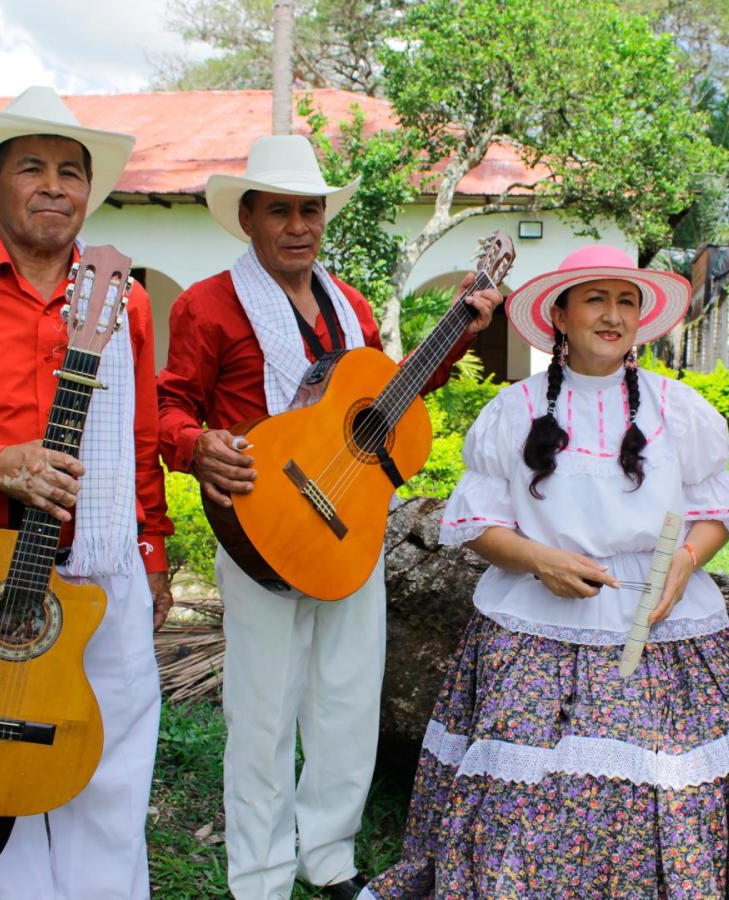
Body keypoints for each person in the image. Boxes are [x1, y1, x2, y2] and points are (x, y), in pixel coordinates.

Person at [362, 245, 729, 898]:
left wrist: (687, 560)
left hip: (661, 622)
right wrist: (539, 559)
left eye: (626, 301)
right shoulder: (514, 411)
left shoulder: (677, 410)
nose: (612, 315)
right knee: (527, 790)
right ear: (560, 313)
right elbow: (477, 526)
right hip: (535, 625)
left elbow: (716, 510)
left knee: (685, 775)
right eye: (596, 299)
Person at [155, 134, 502, 900]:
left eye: (310, 210)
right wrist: (196, 445)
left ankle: (330, 859)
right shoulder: (206, 303)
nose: (299, 225)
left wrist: (457, 334)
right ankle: (261, 876)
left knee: (348, 700)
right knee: (264, 712)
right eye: (279, 210)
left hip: (351, 524)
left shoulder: (346, 301)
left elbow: (382, 395)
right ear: (246, 217)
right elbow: (169, 406)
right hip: (264, 527)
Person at [0, 86, 172, 898]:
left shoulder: (124, 298)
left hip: (98, 570)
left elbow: (139, 439)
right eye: (31, 167)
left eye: (73, 171)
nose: (56, 186)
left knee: (108, 766)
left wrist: (154, 548)